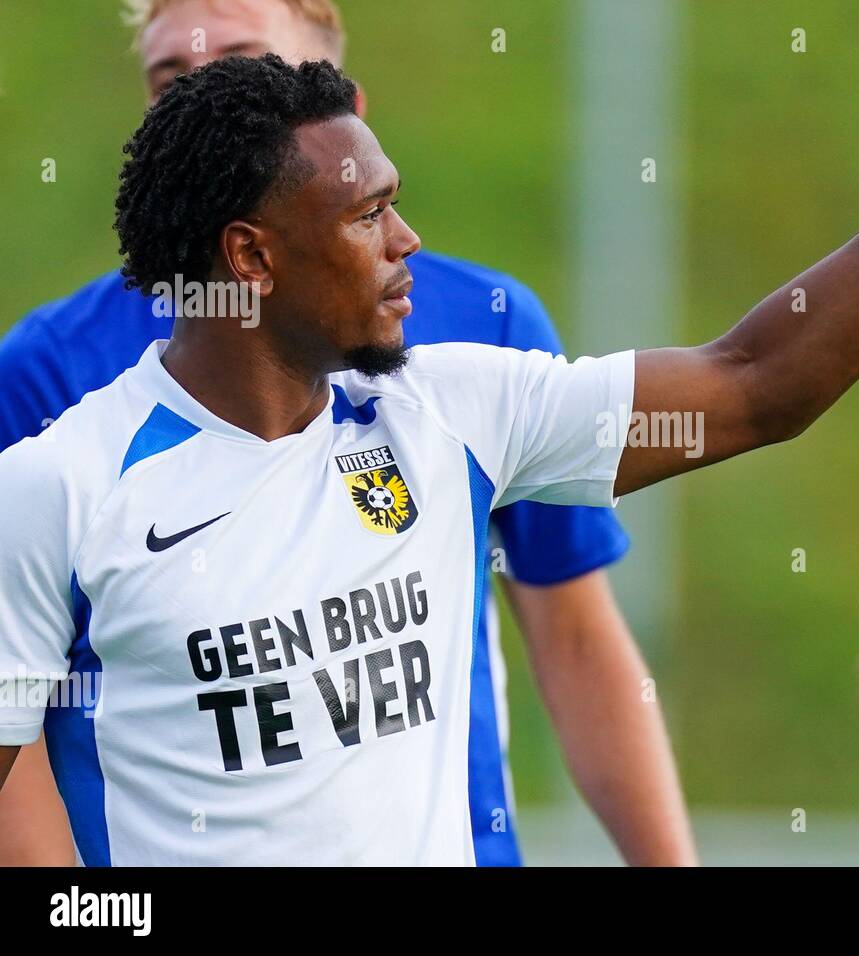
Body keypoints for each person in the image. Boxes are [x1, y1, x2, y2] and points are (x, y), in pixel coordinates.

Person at [0, 21, 859, 864]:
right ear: (251, 256)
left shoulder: (451, 409)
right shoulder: (58, 489)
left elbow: (757, 384)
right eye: (366, 214)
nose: (406, 240)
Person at [0, 0, 693, 867]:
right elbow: (13, 705)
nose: (200, 92)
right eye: (168, 77)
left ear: (338, 109)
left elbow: (576, 632)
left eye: (242, 64)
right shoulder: (53, 369)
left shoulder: (480, 327)